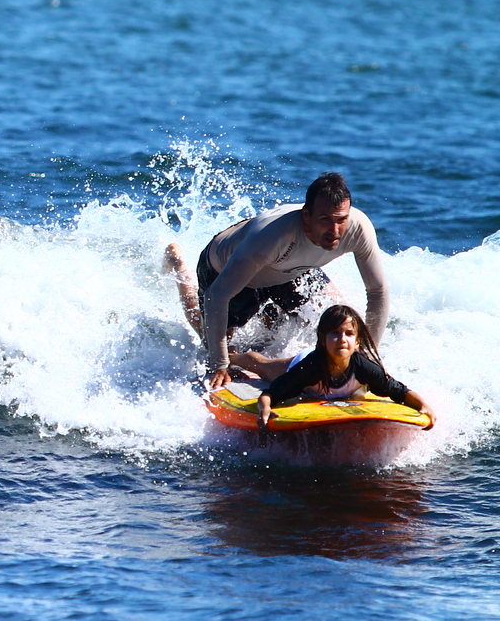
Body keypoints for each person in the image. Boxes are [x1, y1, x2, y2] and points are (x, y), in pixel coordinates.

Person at [164, 172, 389, 392]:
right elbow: (217, 296)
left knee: (336, 317)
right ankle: (179, 267)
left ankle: (266, 328)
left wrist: (368, 358)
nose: (334, 231)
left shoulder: (358, 229)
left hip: (291, 270)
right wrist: (220, 364)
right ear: (306, 216)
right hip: (228, 270)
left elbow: (377, 292)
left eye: (341, 220)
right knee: (212, 339)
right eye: (325, 220)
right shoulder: (271, 237)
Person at [236, 304, 434, 433]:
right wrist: (265, 408)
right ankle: (232, 356)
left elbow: (399, 391)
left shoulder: (364, 368)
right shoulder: (309, 368)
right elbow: (270, 393)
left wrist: (424, 407)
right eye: (335, 333)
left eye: (348, 334)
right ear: (323, 339)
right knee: (262, 367)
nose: (341, 339)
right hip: (303, 361)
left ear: (357, 342)